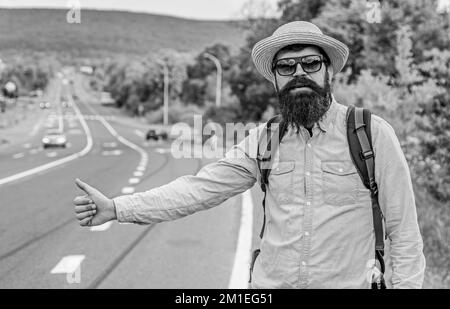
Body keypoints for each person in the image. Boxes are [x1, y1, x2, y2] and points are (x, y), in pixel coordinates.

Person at [73, 21, 425, 288]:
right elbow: (198, 188)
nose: (299, 73)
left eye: (310, 63)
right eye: (286, 67)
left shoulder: (370, 134)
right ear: (274, 79)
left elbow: (404, 233)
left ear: (329, 70)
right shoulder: (263, 140)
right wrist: (117, 208)